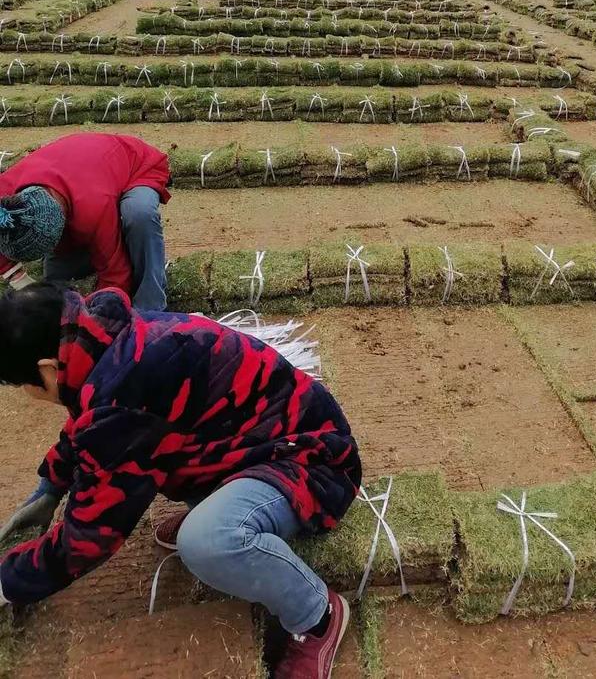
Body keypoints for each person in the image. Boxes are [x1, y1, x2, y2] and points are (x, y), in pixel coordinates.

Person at [0, 283, 360, 678]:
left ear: (47, 370)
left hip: (312, 463)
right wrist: (50, 488)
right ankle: (227, 511)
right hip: (256, 443)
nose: (25, 394)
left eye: (22, 386)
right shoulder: (102, 337)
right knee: (181, 499)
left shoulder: (123, 387)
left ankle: (315, 615)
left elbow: (88, 538)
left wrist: (7, 580)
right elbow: (86, 428)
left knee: (207, 543)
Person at [0, 133, 170, 311]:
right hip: (84, 168)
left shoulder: (93, 207)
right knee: (56, 281)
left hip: (134, 164)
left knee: (138, 213)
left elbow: (115, 276)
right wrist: (17, 277)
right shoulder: (6, 191)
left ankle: (151, 306)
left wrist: (98, 316)